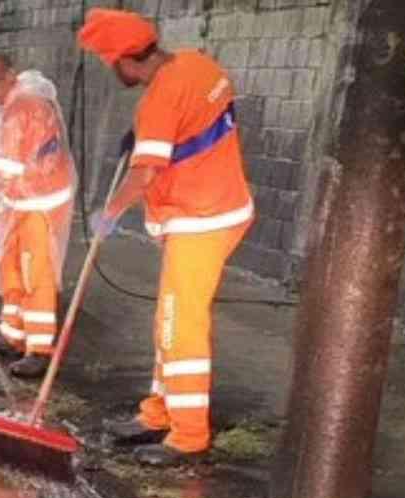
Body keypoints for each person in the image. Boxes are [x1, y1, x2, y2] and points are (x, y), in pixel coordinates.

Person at [77, 9, 255, 466]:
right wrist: (141, 136)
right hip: (220, 206)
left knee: (181, 326)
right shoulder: (199, 64)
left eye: (107, 62)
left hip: (201, 218)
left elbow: (144, 174)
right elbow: (192, 121)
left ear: (124, 59)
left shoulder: (160, 99)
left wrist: (109, 213)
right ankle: (157, 412)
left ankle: (189, 435)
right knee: (168, 323)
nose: (110, 70)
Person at [0, 52, 76, 379]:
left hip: (38, 201)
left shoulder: (21, 108)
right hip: (20, 199)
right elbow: (0, 125)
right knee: (10, 267)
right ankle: (11, 333)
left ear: (11, 75)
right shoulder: (18, 98)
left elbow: (5, 170)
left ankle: (39, 348)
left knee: (34, 272)